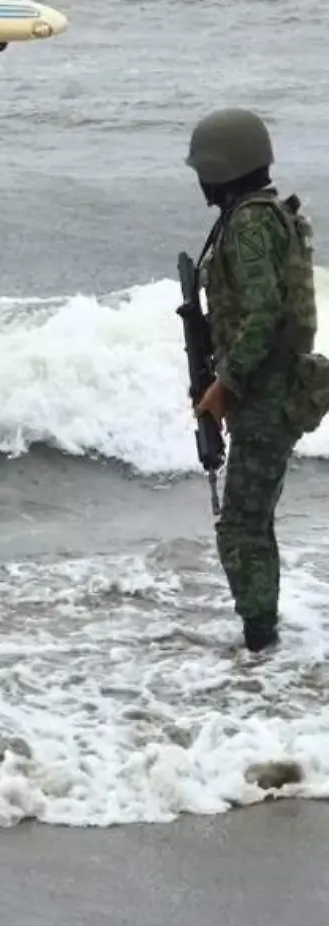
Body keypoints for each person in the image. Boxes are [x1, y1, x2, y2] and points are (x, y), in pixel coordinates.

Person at [184, 106, 329, 652]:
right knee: (253, 518)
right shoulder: (265, 215)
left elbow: (263, 313)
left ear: (221, 167)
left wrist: (226, 383)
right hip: (275, 389)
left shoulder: (248, 224)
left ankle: (260, 645)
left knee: (241, 525)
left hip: (266, 394)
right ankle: (262, 639)